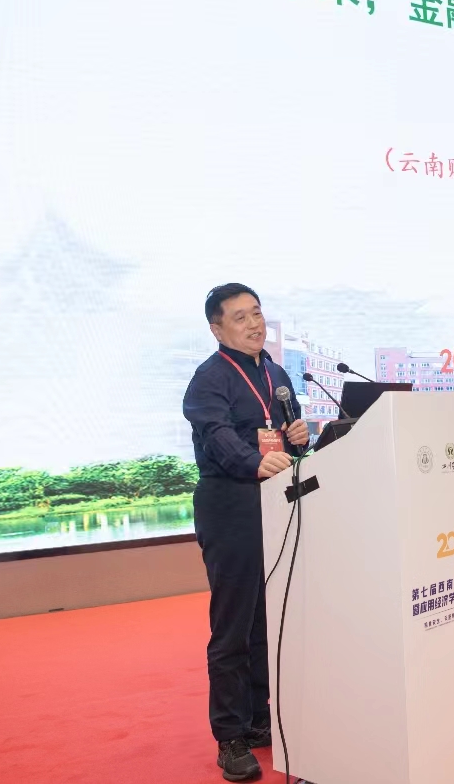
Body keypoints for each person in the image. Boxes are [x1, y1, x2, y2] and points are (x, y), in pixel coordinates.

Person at [183, 283, 309, 782]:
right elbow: (216, 438)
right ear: (217, 329)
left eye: (256, 313)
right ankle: (230, 736)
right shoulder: (207, 380)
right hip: (230, 506)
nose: (254, 324)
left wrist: (299, 437)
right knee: (234, 624)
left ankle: (258, 718)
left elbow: (288, 434)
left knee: (265, 619)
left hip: (276, 502)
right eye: (240, 317)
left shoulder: (276, 373)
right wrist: (253, 460)